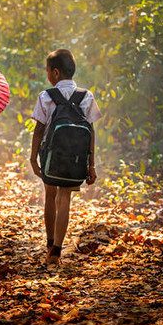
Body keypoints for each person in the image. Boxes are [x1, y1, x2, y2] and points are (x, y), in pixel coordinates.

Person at [28, 49, 101, 265]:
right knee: (64, 198)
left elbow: (39, 130)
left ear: (56, 73)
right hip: (75, 158)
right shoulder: (86, 96)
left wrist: (33, 159)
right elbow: (91, 131)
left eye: (48, 71)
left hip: (51, 156)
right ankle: (57, 251)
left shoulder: (46, 96)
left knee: (50, 195)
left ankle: (50, 244)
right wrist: (91, 164)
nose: (48, 75)